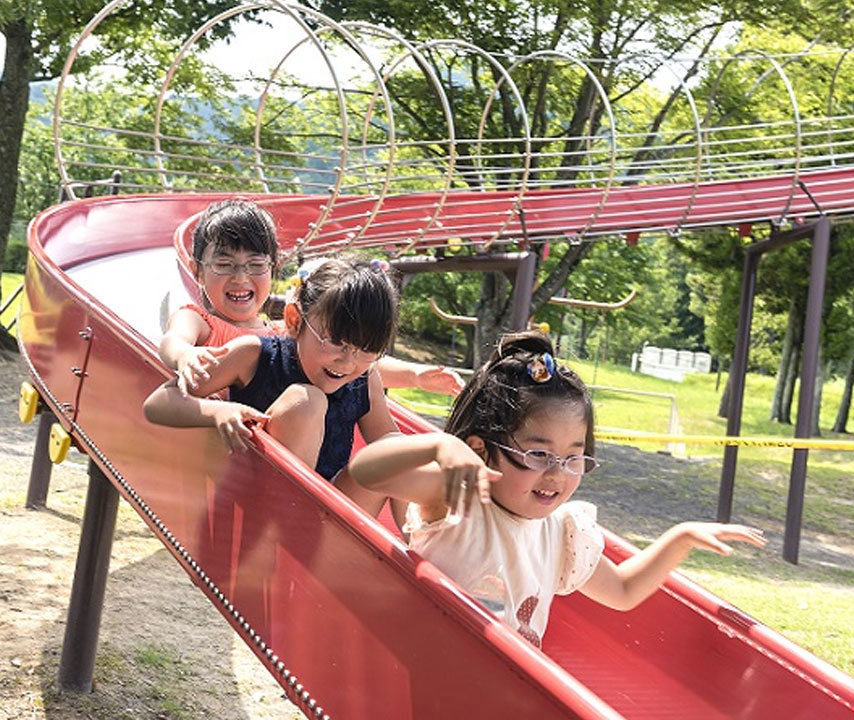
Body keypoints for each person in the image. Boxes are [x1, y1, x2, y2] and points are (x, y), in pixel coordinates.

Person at [337, 331, 766, 647]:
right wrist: (437, 444)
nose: (557, 474)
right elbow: (366, 471)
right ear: (482, 449)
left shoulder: (562, 533)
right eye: (539, 455)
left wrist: (680, 537)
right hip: (426, 677)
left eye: (574, 457)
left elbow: (623, 590)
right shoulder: (459, 498)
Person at [145, 257, 404, 512]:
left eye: (367, 350)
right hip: (265, 509)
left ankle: (418, 543)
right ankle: (293, 526)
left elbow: (397, 455)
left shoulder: (364, 378)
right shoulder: (253, 356)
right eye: (336, 342)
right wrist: (218, 412)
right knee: (307, 401)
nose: (347, 362)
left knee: (397, 448)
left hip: (328, 520)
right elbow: (158, 403)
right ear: (294, 321)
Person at [158, 198, 463, 398]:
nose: (240, 277)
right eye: (224, 264)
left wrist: (416, 375)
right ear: (198, 271)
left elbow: (356, 360)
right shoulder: (201, 321)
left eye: (255, 264)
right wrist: (184, 354)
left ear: (273, 268)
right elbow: (173, 339)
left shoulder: (283, 332)